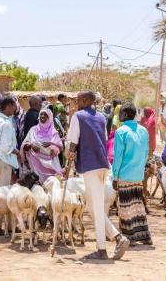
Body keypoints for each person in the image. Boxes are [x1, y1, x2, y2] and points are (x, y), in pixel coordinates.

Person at [66, 91, 130, 261]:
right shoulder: (101, 117)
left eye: (78, 99)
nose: (76, 102)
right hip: (102, 165)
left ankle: (102, 249)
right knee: (93, 208)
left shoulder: (77, 116)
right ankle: (117, 237)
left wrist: (67, 166)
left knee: (95, 208)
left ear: (86, 100)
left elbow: (73, 142)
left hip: (90, 165)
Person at [111, 104, 152, 245]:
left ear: (126, 115)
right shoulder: (143, 131)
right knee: (137, 205)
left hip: (124, 174)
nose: (119, 116)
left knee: (125, 207)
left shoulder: (121, 132)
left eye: (121, 113)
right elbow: (146, 153)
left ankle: (129, 238)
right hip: (138, 175)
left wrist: (114, 176)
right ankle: (144, 236)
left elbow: (118, 157)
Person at [20, 107, 63, 183]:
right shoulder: (33, 130)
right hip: (35, 161)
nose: (42, 116)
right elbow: (24, 145)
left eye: (45, 115)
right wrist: (31, 145)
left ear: (49, 117)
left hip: (50, 165)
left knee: (50, 185)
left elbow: (59, 147)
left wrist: (51, 145)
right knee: (36, 184)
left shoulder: (53, 132)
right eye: (41, 114)